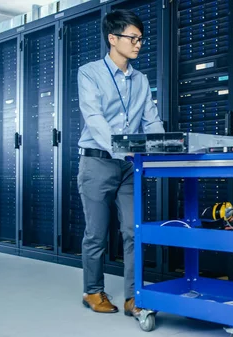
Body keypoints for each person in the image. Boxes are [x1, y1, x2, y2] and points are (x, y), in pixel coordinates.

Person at [76, 9, 164, 318]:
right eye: (133, 38)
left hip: (130, 166)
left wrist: (163, 148)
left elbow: (151, 122)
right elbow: (95, 119)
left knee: (133, 230)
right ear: (113, 39)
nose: (139, 44)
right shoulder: (89, 73)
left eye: (141, 39)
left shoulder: (141, 80)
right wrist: (120, 149)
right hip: (98, 162)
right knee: (96, 233)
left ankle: (133, 296)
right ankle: (92, 290)